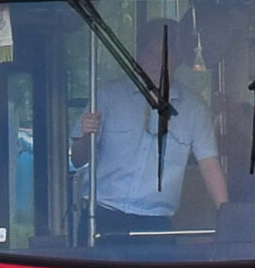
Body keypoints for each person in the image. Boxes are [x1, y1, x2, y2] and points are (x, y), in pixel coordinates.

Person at [76, 26, 227, 239]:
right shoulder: (106, 97)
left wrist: (227, 216)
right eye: (151, 52)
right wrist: (86, 135)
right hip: (102, 216)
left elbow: (210, 165)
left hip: (156, 222)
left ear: (179, 59)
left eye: (167, 55)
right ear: (138, 55)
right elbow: (78, 159)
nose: (158, 61)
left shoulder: (194, 109)